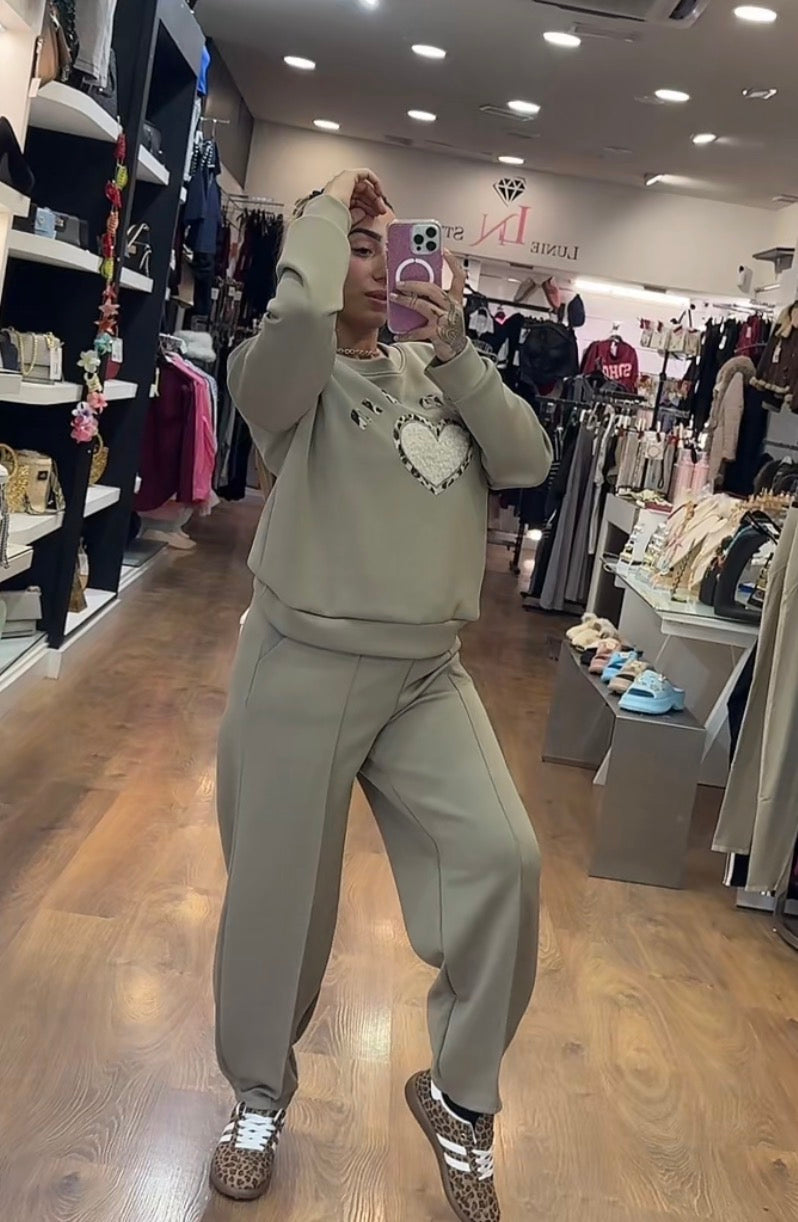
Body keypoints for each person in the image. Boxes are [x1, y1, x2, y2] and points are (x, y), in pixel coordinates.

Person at [210, 168, 553, 1222]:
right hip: (302, 663)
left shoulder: (440, 371)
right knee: (279, 901)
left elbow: (527, 460)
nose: (378, 266)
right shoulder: (284, 376)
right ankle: (257, 1097)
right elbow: (299, 320)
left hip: (426, 673)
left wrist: (460, 355)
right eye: (359, 246)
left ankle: (460, 1097)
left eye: (393, 246)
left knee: (503, 858)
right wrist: (323, 209)